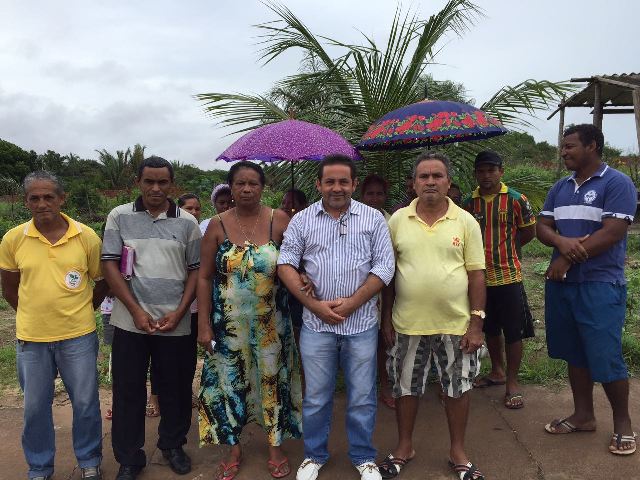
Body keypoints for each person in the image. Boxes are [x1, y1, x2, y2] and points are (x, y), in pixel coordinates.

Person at [278, 154, 395, 480]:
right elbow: (285, 263)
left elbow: (385, 267)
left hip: (361, 325)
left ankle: (363, 456)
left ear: (354, 184)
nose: (337, 187)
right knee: (315, 397)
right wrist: (312, 305)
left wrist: (352, 304)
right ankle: (314, 455)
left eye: (344, 181)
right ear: (318, 184)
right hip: (316, 325)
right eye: (329, 181)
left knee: (361, 395)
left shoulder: (373, 219)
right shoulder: (302, 220)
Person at [379, 152, 486, 480]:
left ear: (448, 182)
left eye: (437, 176)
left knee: (458, 388)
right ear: (413, 183)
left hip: (455, 325)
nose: (430, 182)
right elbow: (387, 273)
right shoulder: (397, 220)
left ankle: (457, 451)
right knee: (405, 387)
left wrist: (476, 323)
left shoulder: (465, 221)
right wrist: (385, 319)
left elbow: (477, 274)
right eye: (423, 176)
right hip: (407, 323)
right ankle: (404, 447)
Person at [197, 161, 302, 480]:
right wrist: (203, 324)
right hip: (228, 327)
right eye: (239, 184)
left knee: (271, 382)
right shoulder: (216, 225)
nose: (246, 189)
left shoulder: (279, 220)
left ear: (262, 187)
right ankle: (233, 449)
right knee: (230, 385)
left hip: (273, 324)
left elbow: (298, 262)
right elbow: (203, 278)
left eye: (252, 183)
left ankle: (274, 445)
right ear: (231, 187)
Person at [0, 171, 107, 480]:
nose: (42, 203)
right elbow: (9, 288)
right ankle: (39, 467)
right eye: (35, 198)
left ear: (62, 199)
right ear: (26, 202)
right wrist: (34, 315)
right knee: (35, 408)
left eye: (49, 197)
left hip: (79, 337)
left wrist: (83, 310)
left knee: (85, 403)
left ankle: (89, 461)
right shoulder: (14, 238)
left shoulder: (85, 236)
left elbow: (101, 282)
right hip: (32, 340)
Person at [537, 124, 637, 455]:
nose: (563, 152)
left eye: (569, 146)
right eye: (562, 147)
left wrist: (565, 260)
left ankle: (623, 423)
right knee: (574, 352)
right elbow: (542, 226)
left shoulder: (617, 183)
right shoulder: (560, 188)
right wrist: (560, 241)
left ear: (592, 146)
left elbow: (612, 232)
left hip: (599, 284)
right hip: (562, 288)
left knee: (604, 356)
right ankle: (583, 416)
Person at [101, 156, 202, 480]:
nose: (156, 188)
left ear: (172, 185)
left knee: (175, 387)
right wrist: (136, 310)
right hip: (131, 322)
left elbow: (196, 271)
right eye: (149, 181)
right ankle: (130, 458)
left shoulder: (187, 222)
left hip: (176, 323)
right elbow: (110, 266)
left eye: (162, 182)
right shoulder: (119, 217)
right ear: (138, 183)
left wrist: (180, 311)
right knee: (128, 390)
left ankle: (172, 445)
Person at [463, 151, 536, 409]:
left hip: (508, 276)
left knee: (513, 331)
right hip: (479, 278)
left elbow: (529, 231)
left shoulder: (516, 199)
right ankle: (497, 371)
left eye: (491, 170)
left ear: (501, 171)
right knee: (489, 327)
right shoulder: (469, 204)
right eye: (481, 171)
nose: (486, 175)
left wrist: (509, 251)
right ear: (476, 174)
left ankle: (513, 382)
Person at [360, 174, 394, 409]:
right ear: (361, 195)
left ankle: (385, 386)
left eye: (379, 193)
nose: (374, 198)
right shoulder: (353, 219)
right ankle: (363, 391)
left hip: (384, 288)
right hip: (358, 290)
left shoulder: (392, 221)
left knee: (383, 341)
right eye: (370, 193)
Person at [177, 193, 203, 409]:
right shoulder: (175, 232)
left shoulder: (203, 232)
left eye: (197, 209)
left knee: (188, 356)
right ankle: (156, 396)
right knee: (169, 356)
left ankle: (186, 394)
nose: (193, 212)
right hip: (175, 307)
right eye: (188, 208)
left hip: (196, 307)